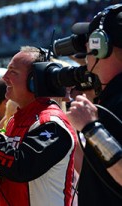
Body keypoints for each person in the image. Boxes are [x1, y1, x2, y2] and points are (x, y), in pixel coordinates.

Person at [0, 46, 77, 206]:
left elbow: (21, 166)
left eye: (13, 72)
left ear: (34, 81)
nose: (4, 78)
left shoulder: (51, 124)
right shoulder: (15, 119)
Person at [65, 4, 122, 205]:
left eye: (88, 49)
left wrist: (92, 128)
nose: (86, 59)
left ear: (100, 47)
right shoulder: (110, 98)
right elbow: (97, 169)